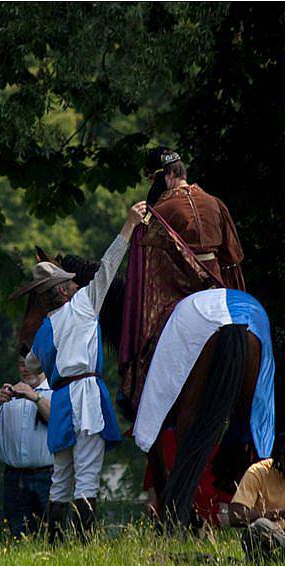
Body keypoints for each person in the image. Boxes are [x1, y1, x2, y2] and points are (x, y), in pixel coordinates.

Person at [16, 201, 147, 544]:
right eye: (69, 282)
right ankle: (84, 544)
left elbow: (30, 364)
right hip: (86, 394)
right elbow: (109, 264)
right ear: (61, 290)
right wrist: (129, 224)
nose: (75, 284)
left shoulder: (46, 328)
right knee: (87, 475)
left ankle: (56, 543)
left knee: (61, 475)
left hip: (60, 400)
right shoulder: (86, 304)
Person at [119, 148, 246, 417]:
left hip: (180, 291)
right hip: (219, 287)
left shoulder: (160, 213)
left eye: (154, 181)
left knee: (150, 344)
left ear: (166, 177)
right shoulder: (216, 204)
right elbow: (232, 257)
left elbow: (150, 270)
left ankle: (143, 402)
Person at [0, 355, 53, 538]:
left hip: (49, 477)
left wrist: (35, 397)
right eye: (22, 364)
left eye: (32, 364)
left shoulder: (54, 391)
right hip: (15, 479)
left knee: (54, 535)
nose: (26, 369)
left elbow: (58, 422)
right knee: (19, 537)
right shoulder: (8, 397)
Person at [228, 433, 285, 565]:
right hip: (275, 537)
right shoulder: (259, 472)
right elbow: (236, 516)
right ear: (280, 455)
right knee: (258, 527)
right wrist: (277, 514)